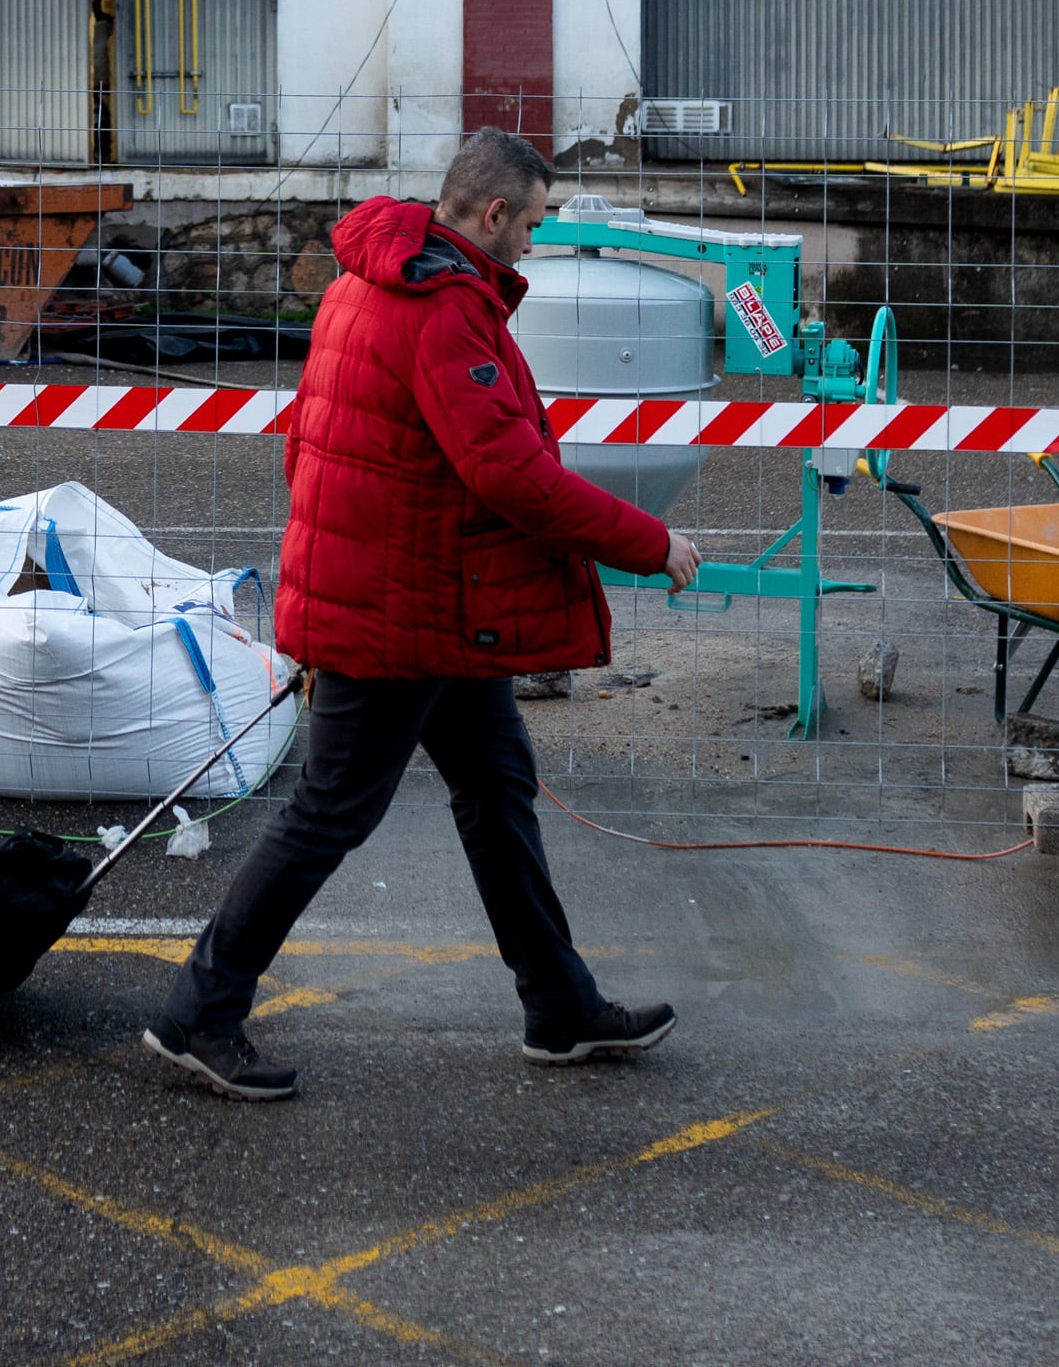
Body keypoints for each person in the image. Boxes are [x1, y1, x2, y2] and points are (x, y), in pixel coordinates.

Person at [145, 128, 701, 1101]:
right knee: (330, 814)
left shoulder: (365, 281)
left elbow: (308, 441)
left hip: (427, 600)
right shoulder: (442, 310)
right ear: (492, 216)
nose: (531, 244)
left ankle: (559, 1006)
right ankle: (200, 1011)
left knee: (496, 788)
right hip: (395, 609)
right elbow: (511, 474)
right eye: (529, 224)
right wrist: (648, 543)